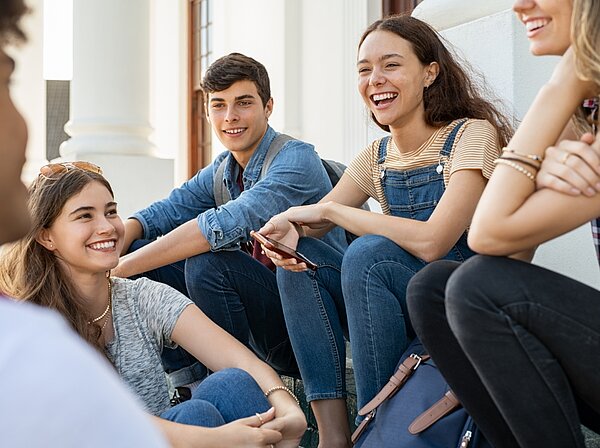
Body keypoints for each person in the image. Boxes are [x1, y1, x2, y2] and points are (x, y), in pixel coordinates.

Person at [259, 15, 513, 448]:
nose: (375, 80)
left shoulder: (471, 135)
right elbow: (321, 217)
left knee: (369, 254)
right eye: (364, 69)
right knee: (300, 265)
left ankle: (376, 431)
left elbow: (435, 241)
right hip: (396, 301)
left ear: (430, 72)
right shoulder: (375, 155)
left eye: (391, 65)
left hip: (459, 303)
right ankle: (335, 436)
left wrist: (332, 214)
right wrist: (291, 227)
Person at [0, 164, 307, 448]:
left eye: (110, 212)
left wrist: (287, 407)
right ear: (46, 236)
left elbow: (242, 361)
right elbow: (103, 419)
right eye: (85, 216)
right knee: (196, 416)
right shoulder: (33, 323)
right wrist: (214, 439)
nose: (106, 227)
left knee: (232, 383)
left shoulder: (139, 298)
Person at [406, 1, 600, 447]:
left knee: (475, 287)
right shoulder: (588, 108)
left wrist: (563, 79)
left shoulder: (573, 90)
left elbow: (488, 232)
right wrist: (540, 167)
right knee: (434, 288)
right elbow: (505, 250)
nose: (519, 4)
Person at [114, 52, 346, 384]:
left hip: (309, 326)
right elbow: (164, 212)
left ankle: (232, 385)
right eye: (218, 105)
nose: (230, 117)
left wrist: (117, 270)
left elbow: (217, 227)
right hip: (258, 316)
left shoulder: (296, 160)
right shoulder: (225, 168)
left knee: (208, 264)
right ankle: (190, 380)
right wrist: (110, 251)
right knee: (139, 247)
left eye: (243, 103)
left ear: (268, 107)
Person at [0, 1, 167, 447]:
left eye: (110, 211)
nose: (24, 123)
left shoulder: (132, 297)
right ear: (46, 237)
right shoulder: (27, 340)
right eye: (5, 84)